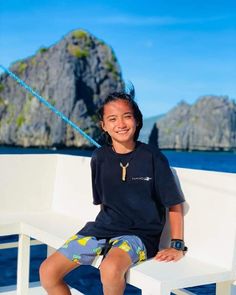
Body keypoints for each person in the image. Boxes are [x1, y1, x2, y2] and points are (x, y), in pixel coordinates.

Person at [40, 87, 186, 295]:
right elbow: (103, 201)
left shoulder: (152, 157)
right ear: (104, 126)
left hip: (139, 235)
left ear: (137, 120)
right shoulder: (99, 157)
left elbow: (173, 203)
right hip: (101, 229)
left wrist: (177, 245)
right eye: (112, 119)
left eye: (127, 117)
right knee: (48, 271)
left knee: (109, 269)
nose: (120, 124)